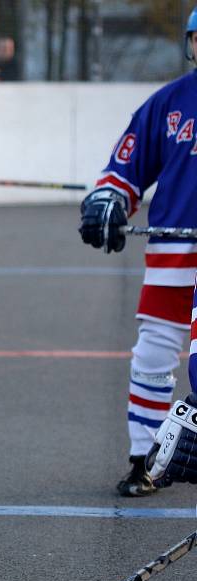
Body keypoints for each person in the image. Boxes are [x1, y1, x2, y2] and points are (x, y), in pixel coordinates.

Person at [78, 5, 197, 497]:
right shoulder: (167, 103)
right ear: (190, 44)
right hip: (173, 250)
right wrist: (108, 201)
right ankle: (144, 459)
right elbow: (124, 169)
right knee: (152, 354)